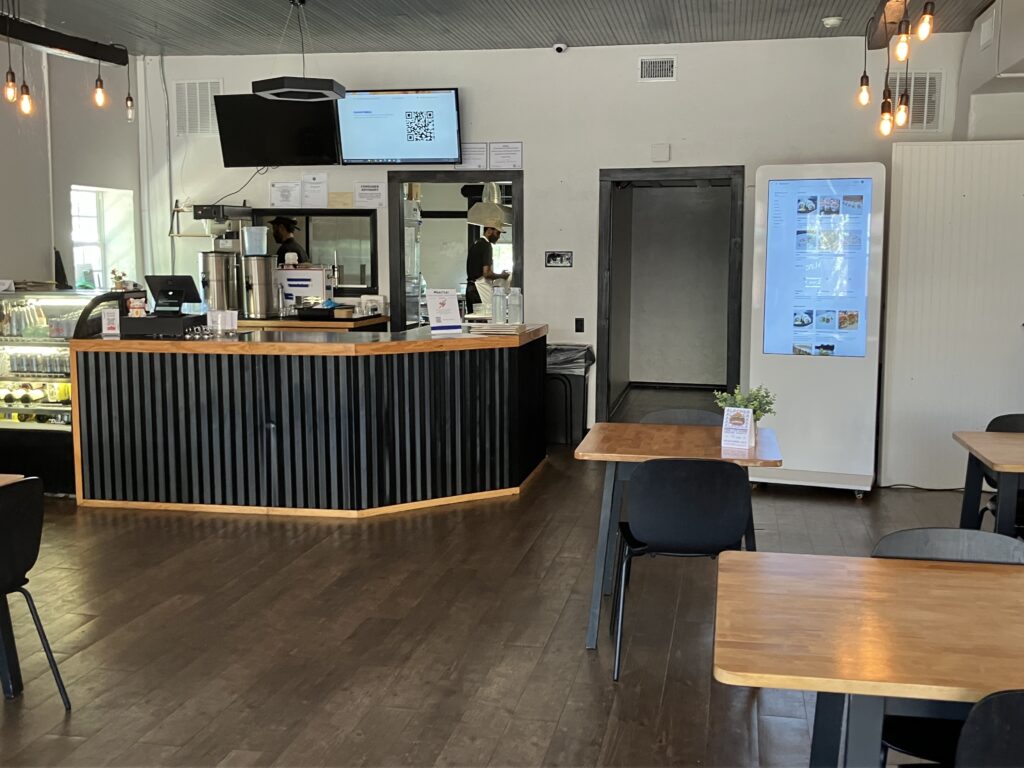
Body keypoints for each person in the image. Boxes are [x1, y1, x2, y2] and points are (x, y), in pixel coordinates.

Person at [465, 203, 509, 313]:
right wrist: (502, 276)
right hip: (479, 289)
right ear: (489, 230)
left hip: (470, 289)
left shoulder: (475, 244)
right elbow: (487, 273)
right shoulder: (486, 245)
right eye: (497, 233)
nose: (498, 236)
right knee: (483, 321)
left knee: (473, 322)